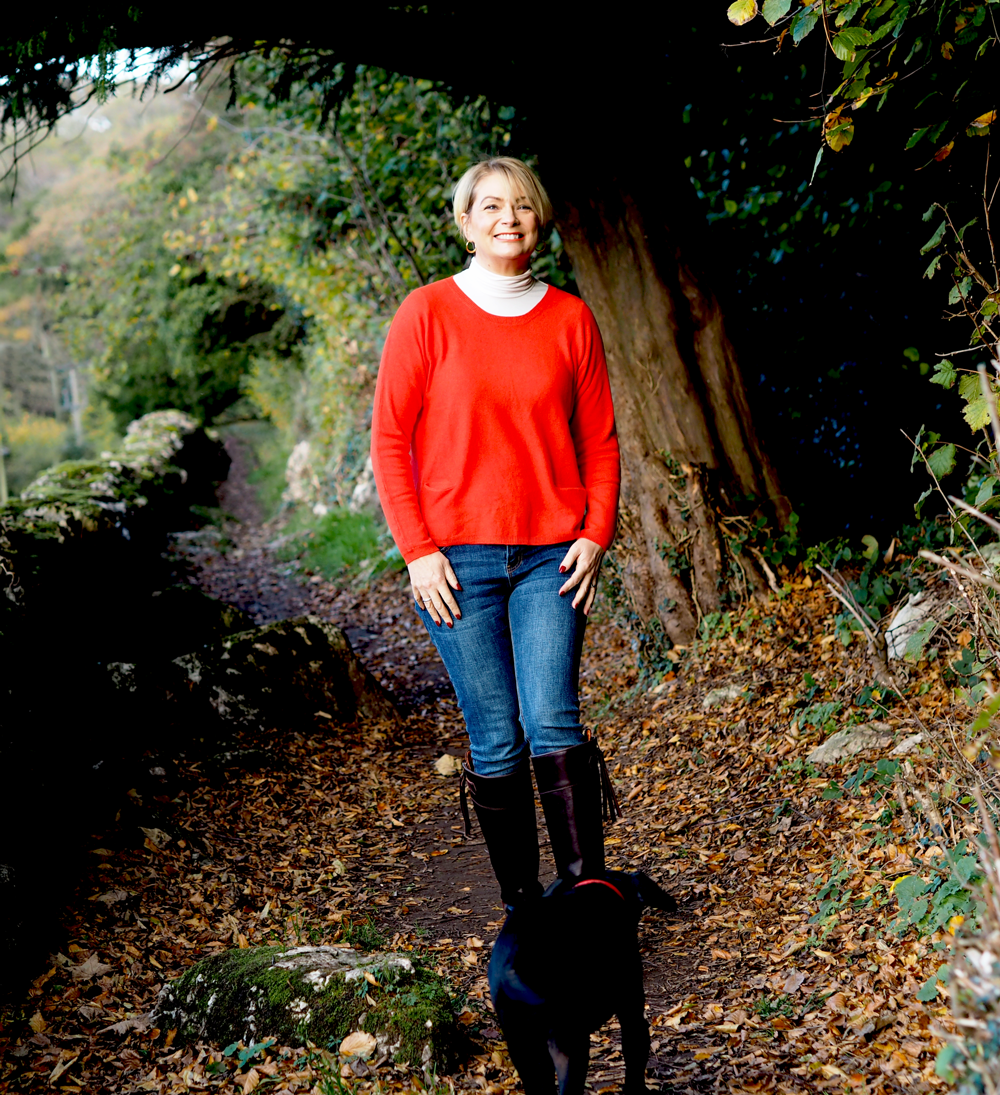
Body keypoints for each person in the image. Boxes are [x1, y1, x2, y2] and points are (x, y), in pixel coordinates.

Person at [370, 157, 621, 910]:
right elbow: (388, 439)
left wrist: (596, 533)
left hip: (554, 553)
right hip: (454, 562)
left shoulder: (570, 317)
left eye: (521, 205)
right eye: (490, 206)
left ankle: (585, 898)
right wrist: (417, 551)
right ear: (465, 222)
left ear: (539, 218)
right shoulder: (427, 313)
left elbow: (601, 440)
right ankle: (523, 907)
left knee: (552, 717)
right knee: (497, 736)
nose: (508, 218)